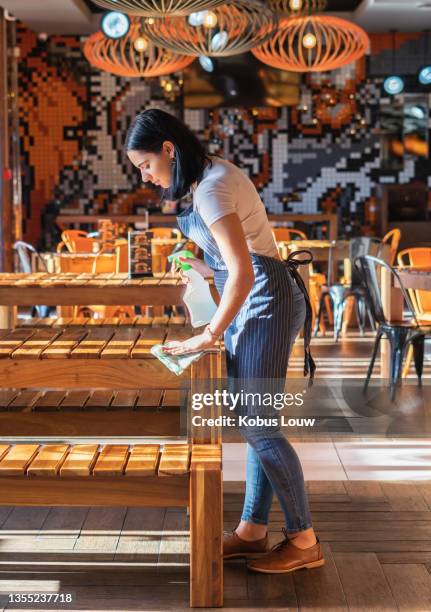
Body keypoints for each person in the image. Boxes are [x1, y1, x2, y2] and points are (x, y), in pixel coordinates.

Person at [125, 108, 324, 574]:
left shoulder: (212, 188)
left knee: (256, 422)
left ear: (168, 150)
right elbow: (232, 263)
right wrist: (200, 268)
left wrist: (209, 333)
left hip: (267, 298)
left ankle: (304, 540)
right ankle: (254, 532)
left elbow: (246, 269)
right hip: (259, 296)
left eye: (146, 166)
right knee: (256, 418)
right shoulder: (204, 179)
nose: (146, 177)